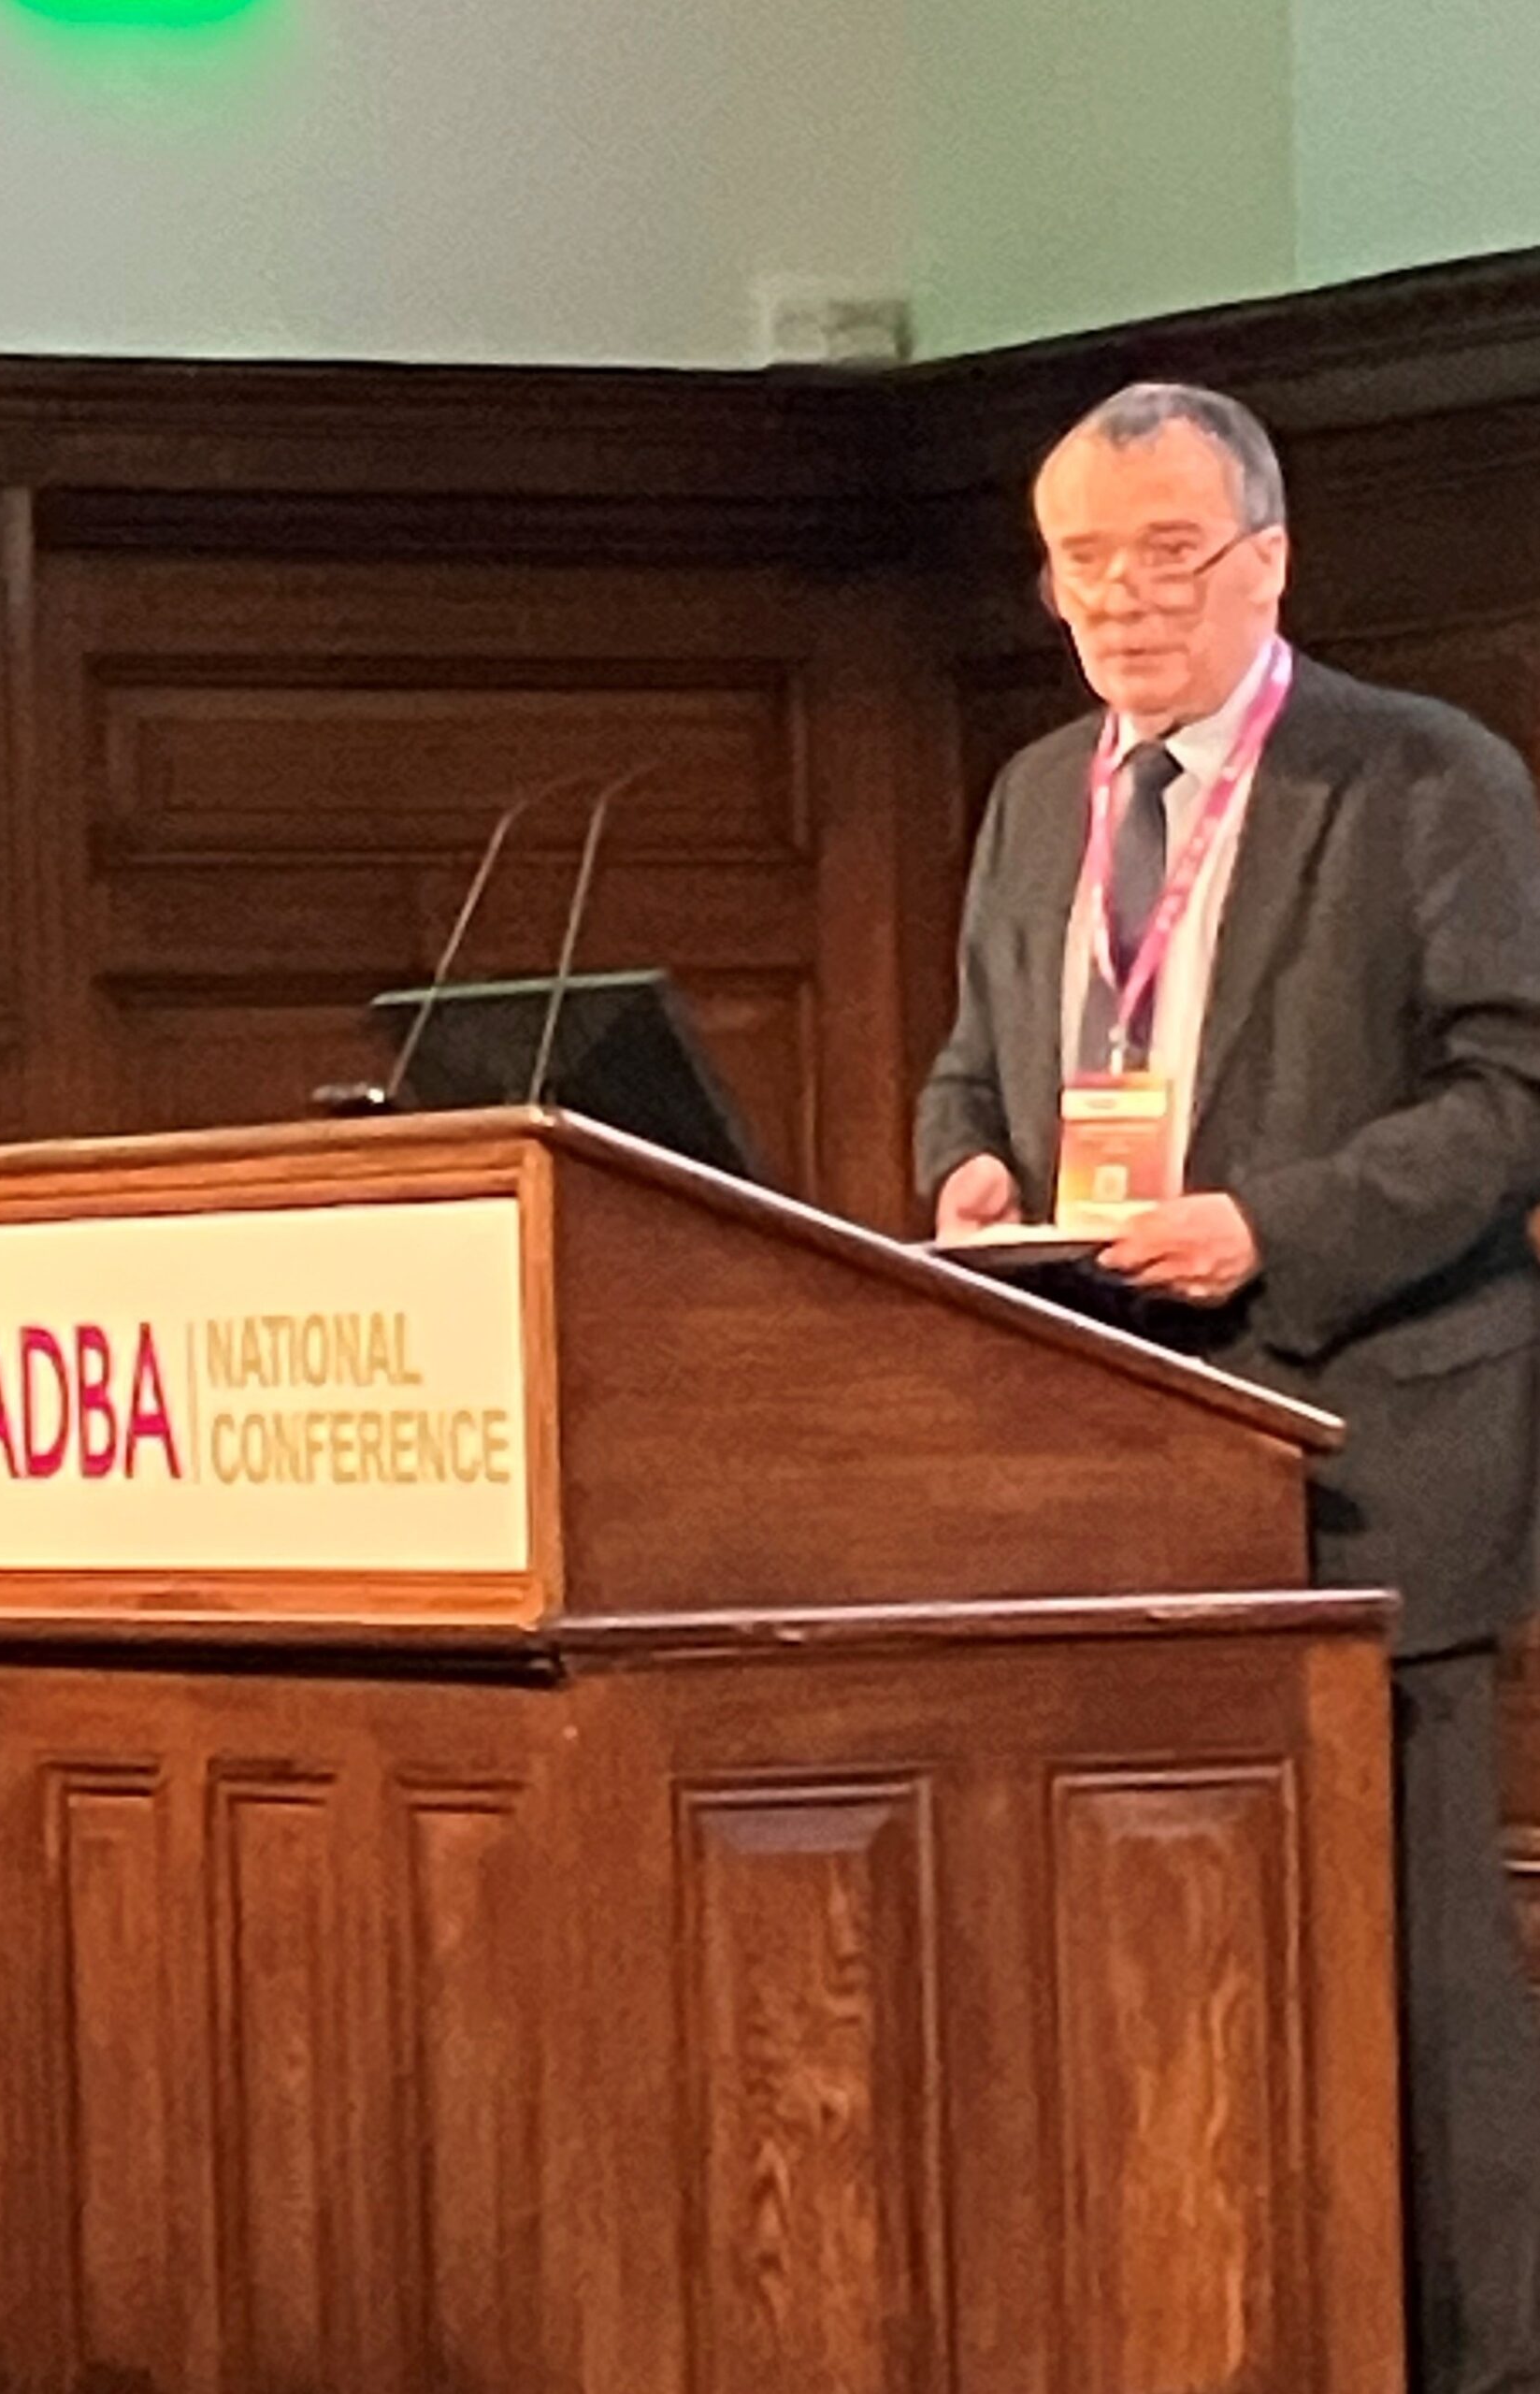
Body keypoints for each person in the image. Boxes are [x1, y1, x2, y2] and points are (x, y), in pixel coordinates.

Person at [916, 380, 1540, 2394]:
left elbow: (1509, 1091)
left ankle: (1480, 2352)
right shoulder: (1038, 790)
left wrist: (1270, 1219)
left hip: (1375, 1445)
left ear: (1267, 558)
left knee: (1415, 1976)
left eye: (1164, 552)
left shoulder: (1419, 772)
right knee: (1185, 1965)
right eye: (1082, 560)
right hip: (1121, 1449)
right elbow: (968, 1060)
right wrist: (970, 1172)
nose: (1119, 597)